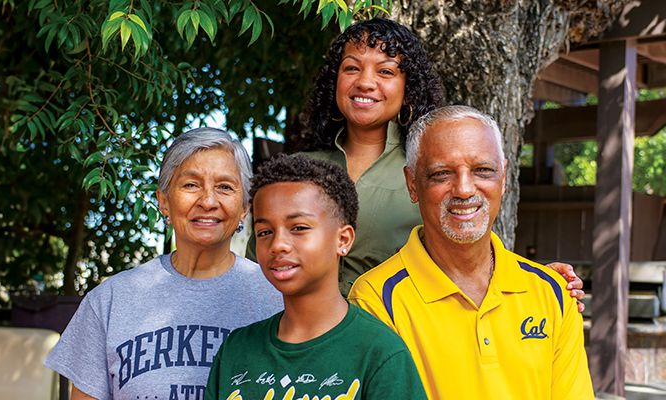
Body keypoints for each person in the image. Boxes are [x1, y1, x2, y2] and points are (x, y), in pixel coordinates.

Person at [245, 18, 585, 303]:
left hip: (400, 342)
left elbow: (472, 251)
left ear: (408, 87)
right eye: (351, 68)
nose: (365, 81)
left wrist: (540, 279)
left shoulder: (432, 172)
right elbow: (257, 264)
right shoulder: (296, 171)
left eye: (386, 72)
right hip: (299, 341)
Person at [349, 106, 594, 399]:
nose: (464, 189)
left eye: (482, 170)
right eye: (441, 174)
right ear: (413, 184)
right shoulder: (376, 300)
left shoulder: (551, 294)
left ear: (504, 177)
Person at [45, 128, 283, 400]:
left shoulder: (277, 299)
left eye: (225, 187)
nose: (208, 201)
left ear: (244, 206)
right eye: (191, 185)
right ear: (164, 201)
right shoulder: (110, 301)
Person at [206, 154, 426, 399]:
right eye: (265, 231)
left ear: (343, 240)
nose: (278, 244)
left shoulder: (380, 353)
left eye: (299, 228)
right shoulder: (236, 350)